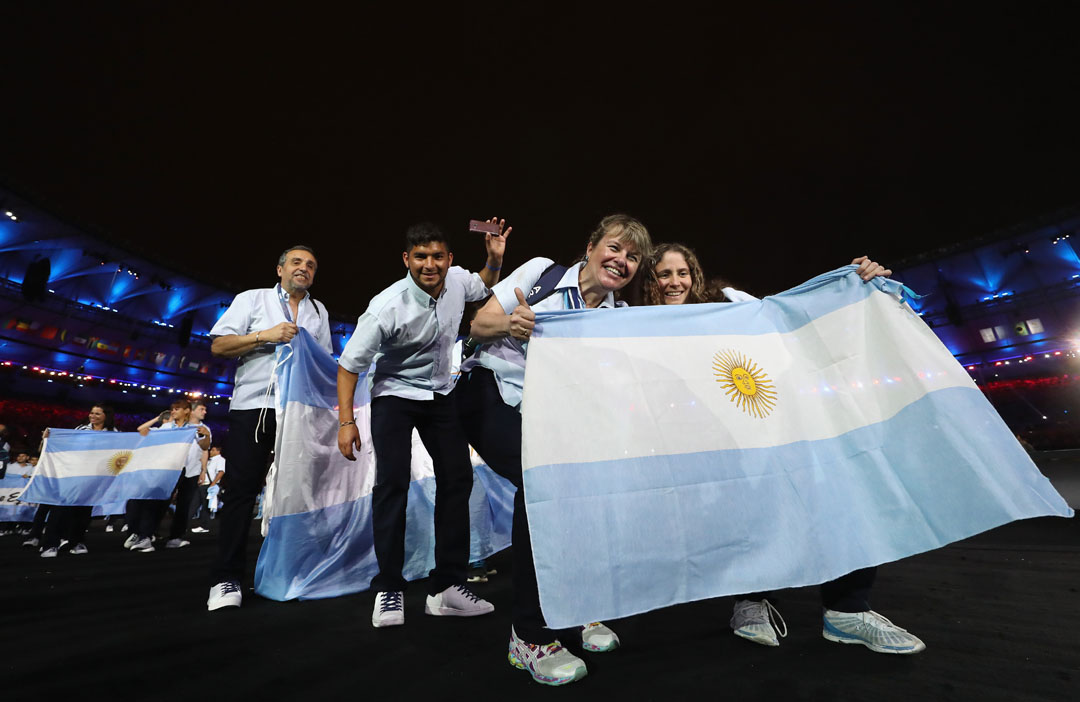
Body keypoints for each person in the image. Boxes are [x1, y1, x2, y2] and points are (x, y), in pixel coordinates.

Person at [644, 242, 925, 654]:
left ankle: (847, 609)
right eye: (663, 274)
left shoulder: (727, 301)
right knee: (750, 521)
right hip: (715, 445)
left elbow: (784, 320)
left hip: (774, 423)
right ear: (650, 282)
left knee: (839, 498)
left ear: (695, 275)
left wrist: (847, 284)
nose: (674, 282)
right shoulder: (638, 325)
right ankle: (752, 601)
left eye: (682, 272)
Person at [458, 213, 652, 686]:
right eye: (614, 248)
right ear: (590, 247)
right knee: (541, 485)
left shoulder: (618, 319)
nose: (621, 261)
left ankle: (575, 604)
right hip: (493, 394)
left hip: (555, 416)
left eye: (632, 257)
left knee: (581, 499)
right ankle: (529, 635)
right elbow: (478, 324)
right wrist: (513, 324)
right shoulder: (541, 273)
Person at [337, 219, 508, 628]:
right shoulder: (385, 307)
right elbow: (347, 368)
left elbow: (484, 284)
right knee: (391, 484)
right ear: (406, 260)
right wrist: (346, 422)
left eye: (437, 256)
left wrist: (494, 260)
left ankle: (446, 587)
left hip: (440, 393)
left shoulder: (459, 281)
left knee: (458, 479)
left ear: (449, 259)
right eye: (420, 257)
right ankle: (389, 589)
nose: (429, 265)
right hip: (395, 395)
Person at [206, 245, 333, 610]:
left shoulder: (318, 311)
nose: (304, 269)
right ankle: (227, 578)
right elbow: (219, 345)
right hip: (255, 408)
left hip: (298, 413)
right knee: (242, 492)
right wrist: (265, 335)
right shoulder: (252, 299)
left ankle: (292, 571)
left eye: (311, 265)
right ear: (279, 269)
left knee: (302, 493)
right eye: (296, 262)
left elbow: (321, 362)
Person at [131, 399, 212, 551]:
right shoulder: (167, 426)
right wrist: (157, 419)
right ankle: (146, 536)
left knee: (184, 506)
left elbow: (204, 447)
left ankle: (175, 537)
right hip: (169, 469)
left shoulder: (197, 428)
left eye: (176, 409)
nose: (173, 412)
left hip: (190, 470)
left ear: (187, 411)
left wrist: (206, 436)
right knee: (159, 503)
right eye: (172, 409)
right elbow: (141, 430)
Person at [39, 404, 119, 557]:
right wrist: (52, 438)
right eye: (91, 413)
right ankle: (50, 545)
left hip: (94, 478)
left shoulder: (113, 432)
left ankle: (76, 542)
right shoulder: (82, 429)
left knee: (83, 511)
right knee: (60, 509)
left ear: (106, 416)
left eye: (97, 413)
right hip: (73, 474)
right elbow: (67, 443)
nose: (93, 416)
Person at [191, 445, 225, 533]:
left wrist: (213, 484)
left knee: (206, 507)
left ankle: (204, 526)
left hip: (209, 485)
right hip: (202, 485)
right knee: (193, 505)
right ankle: (184, 525)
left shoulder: (220, 460)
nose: (211, 452)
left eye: (213, 450)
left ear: (218, 451)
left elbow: (221, 472)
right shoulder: (209, 460)